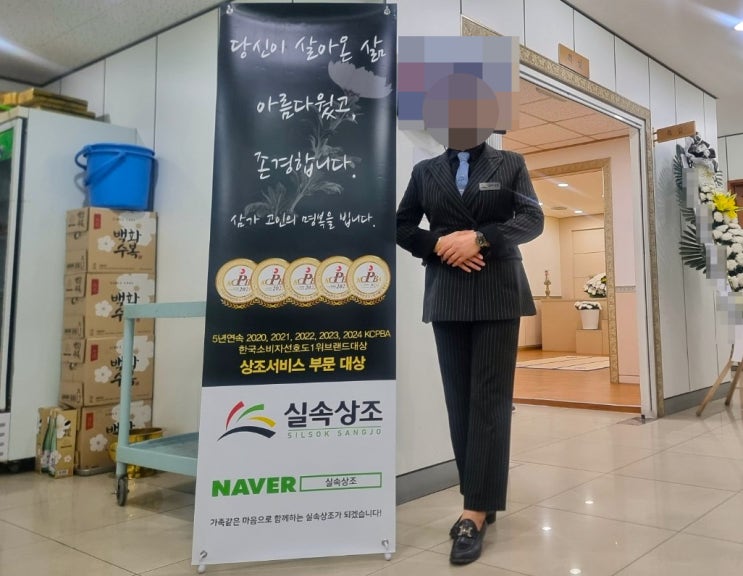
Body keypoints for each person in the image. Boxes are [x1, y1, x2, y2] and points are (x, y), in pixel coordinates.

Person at [396, 138, 544, 564]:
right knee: (460, 401)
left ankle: (474, 511)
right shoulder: (425, 171)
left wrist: (480, 238)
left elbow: (532, 219)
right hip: (447, 291)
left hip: (499, 291)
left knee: (490, 401)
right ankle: (482, 496)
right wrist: (440, 246)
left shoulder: (510, 162)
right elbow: (401, 225)